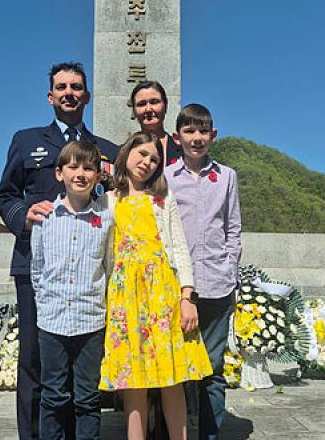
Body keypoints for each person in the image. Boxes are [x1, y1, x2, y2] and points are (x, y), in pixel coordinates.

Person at [0, 62, 119, 440]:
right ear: (50, 96)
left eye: (76, 86)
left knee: (80, 370)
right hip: (35, 266)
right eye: (61, 87)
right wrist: (23, 216)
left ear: (87, 96)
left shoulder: (108, 152)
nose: (69, 92)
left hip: (86, 278)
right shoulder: (25, 139)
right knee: (35, 362)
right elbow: (6, 195)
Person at [99, 131, 213, 440]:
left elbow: (179, 248)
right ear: (126, 155)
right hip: (125, 298)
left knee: (171, 377)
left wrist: (186, 296)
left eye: (153, 158)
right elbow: (100, 252)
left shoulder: (163, 200)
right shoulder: (107, 200)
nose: (147, 162)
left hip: (163, 294)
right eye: (141, 154)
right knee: (133, 380)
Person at [165, 104, 242, 440]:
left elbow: (233, 228)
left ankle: (210, 434)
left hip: (216, 285)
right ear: (177, 137)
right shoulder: (166, 177)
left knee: (212, 369)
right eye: (189, 131)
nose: (196, 138)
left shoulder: (226, 176)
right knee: (175, 369)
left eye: (202, 131)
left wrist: (229, 266)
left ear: (213, 135)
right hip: (175, 286)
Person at [31, 140, 114, 440]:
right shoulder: (45, 217)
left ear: (98, 175)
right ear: (59, 174)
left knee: (88, 399)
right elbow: (37, 270)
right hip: (52, 323)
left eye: (88, 168)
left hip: (90, 322)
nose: (80, 174)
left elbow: (109, 268)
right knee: (53, 396)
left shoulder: (105, 221)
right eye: (73, 167)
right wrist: (46, 306)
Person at [130, 81, 183, 166]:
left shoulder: (184, 151)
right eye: (141, 104)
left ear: (165, 106)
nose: (148, 109)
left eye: (154, 102)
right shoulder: (124, 152)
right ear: (134, 111)